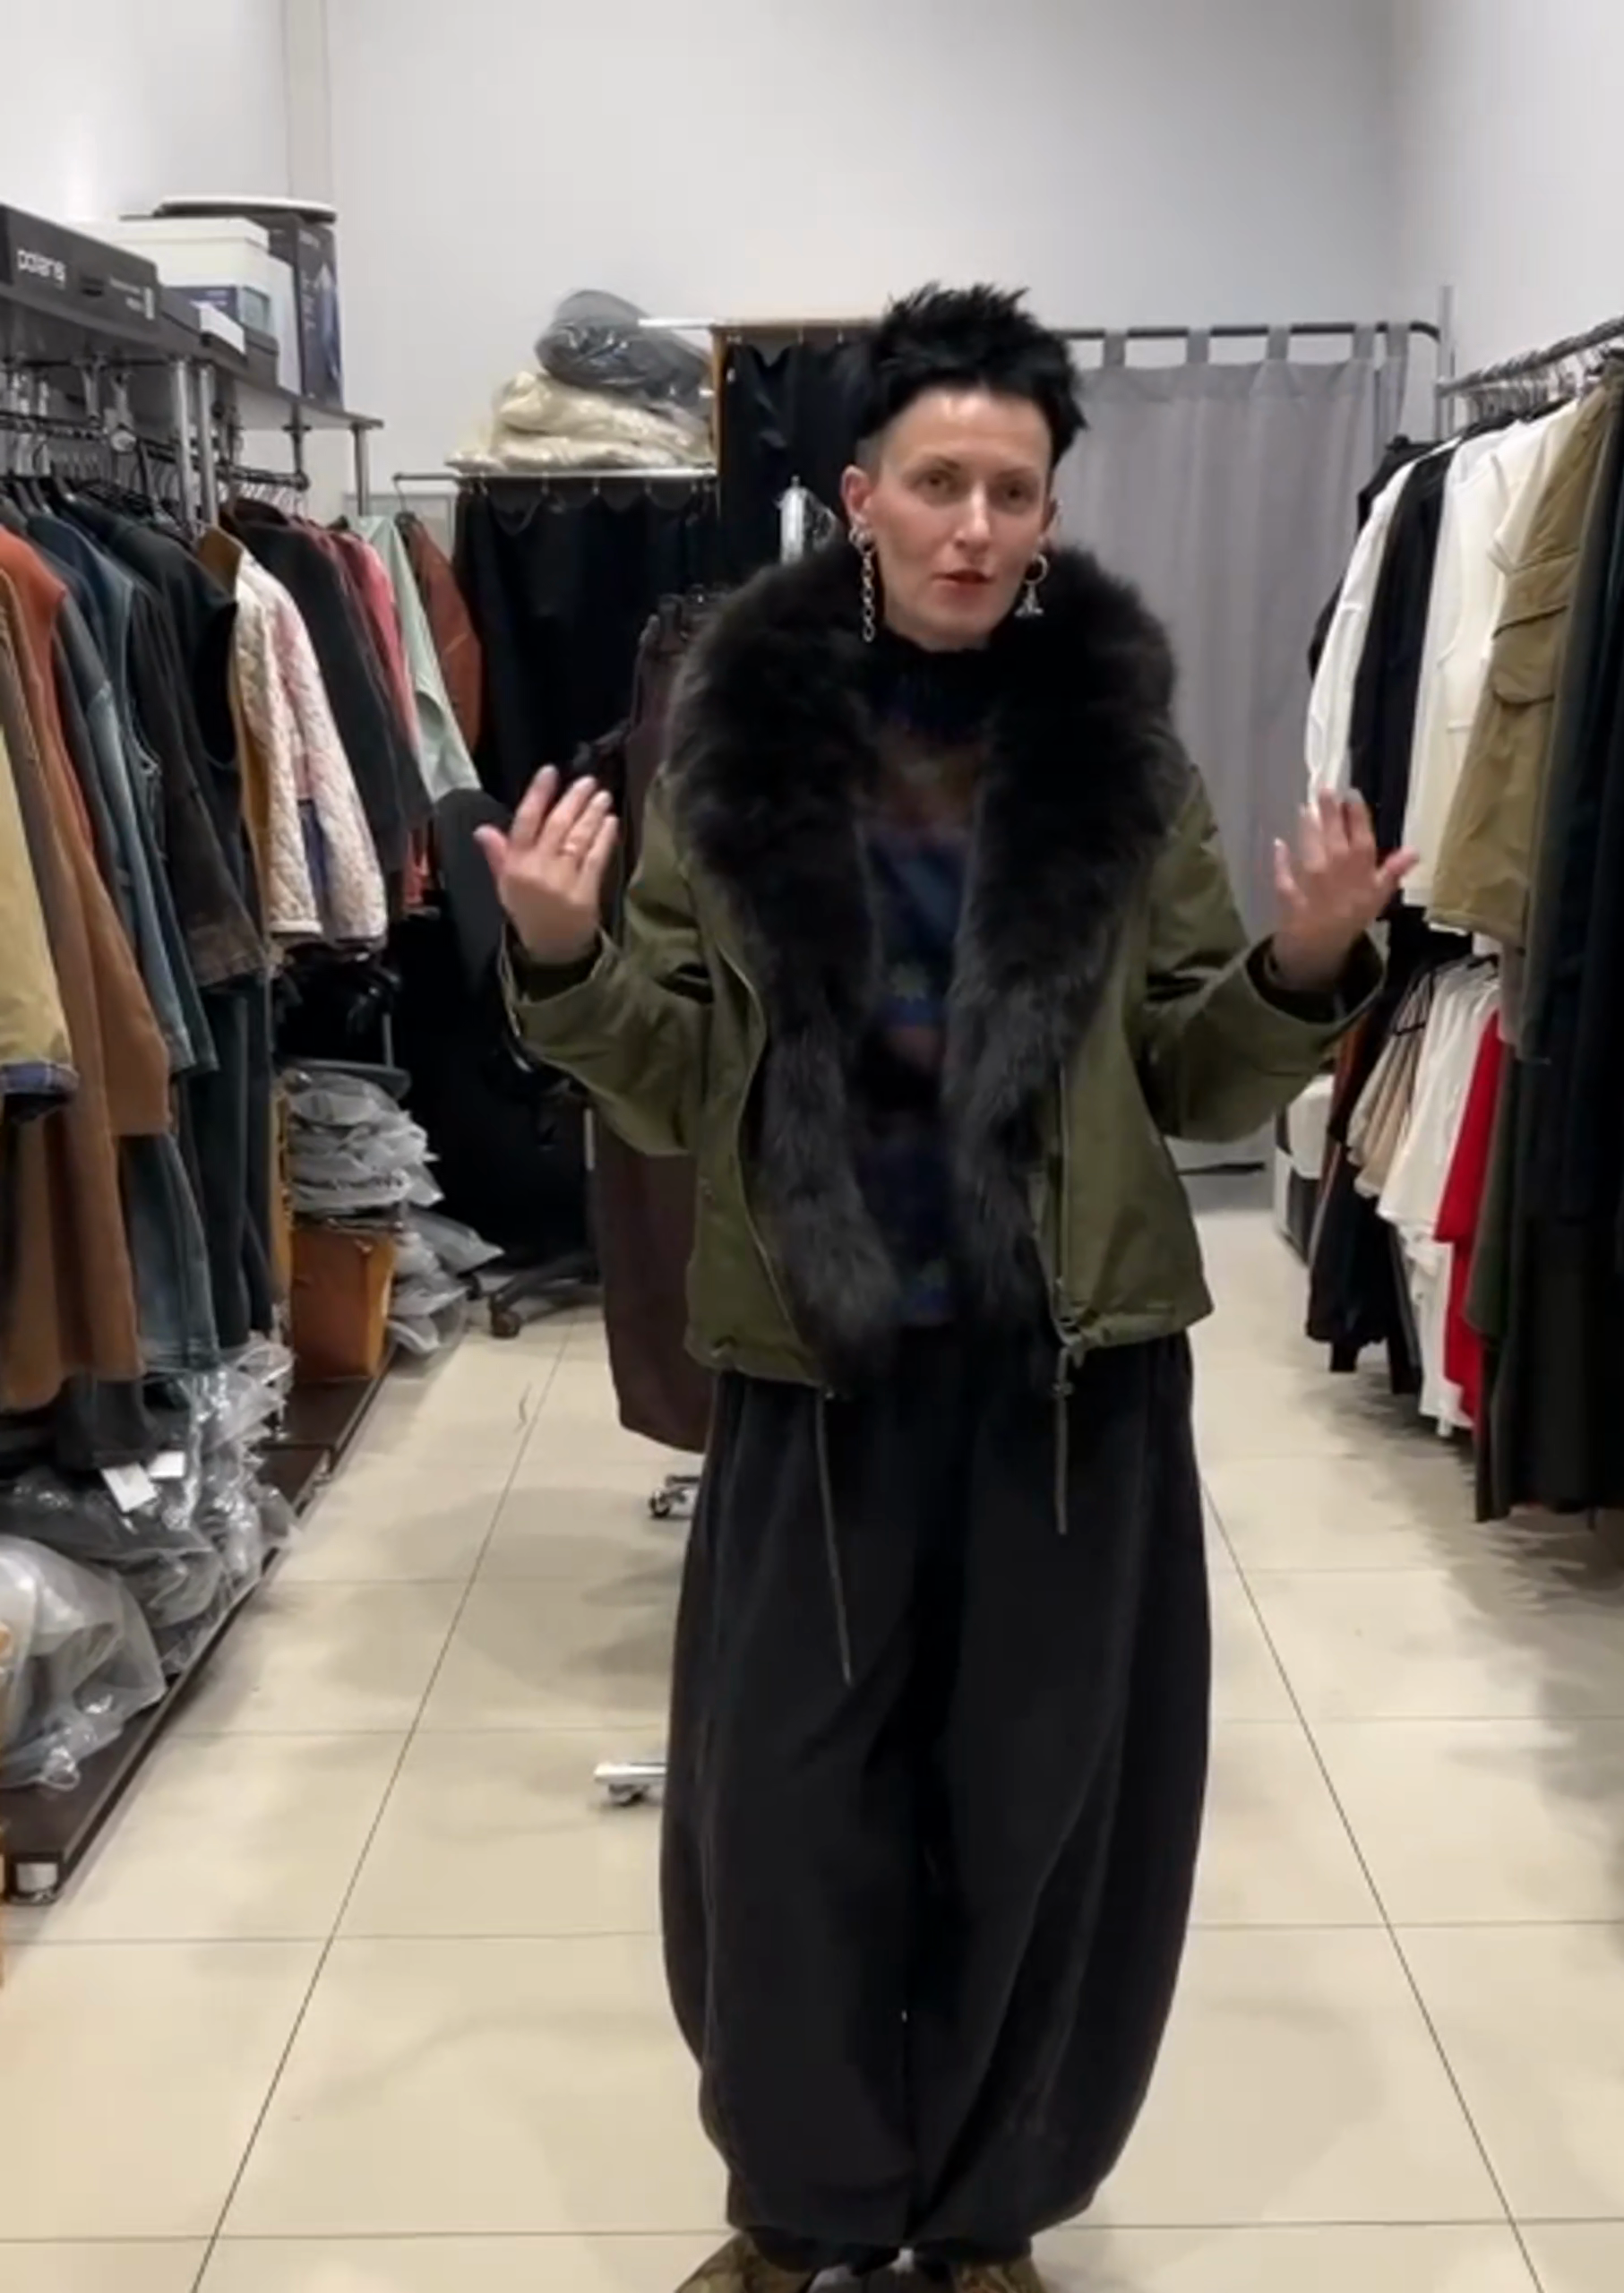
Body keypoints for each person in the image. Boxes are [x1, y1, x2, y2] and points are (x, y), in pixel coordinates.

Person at [479, 286, 1407, 2293]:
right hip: (815, 1366)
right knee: (784, 1810)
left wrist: (1307, 968)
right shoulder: (737, 749)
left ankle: (986, 2214)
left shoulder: (1120, 765)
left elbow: (1192, 1074)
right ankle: (801, 2205)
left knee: (1041, 1806)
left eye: (1012, 489)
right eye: (938, 484)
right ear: (859, 498)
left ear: (1050, 513)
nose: (974, 526)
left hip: (1067, 1380)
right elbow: (673, 1075)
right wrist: (560, 957)